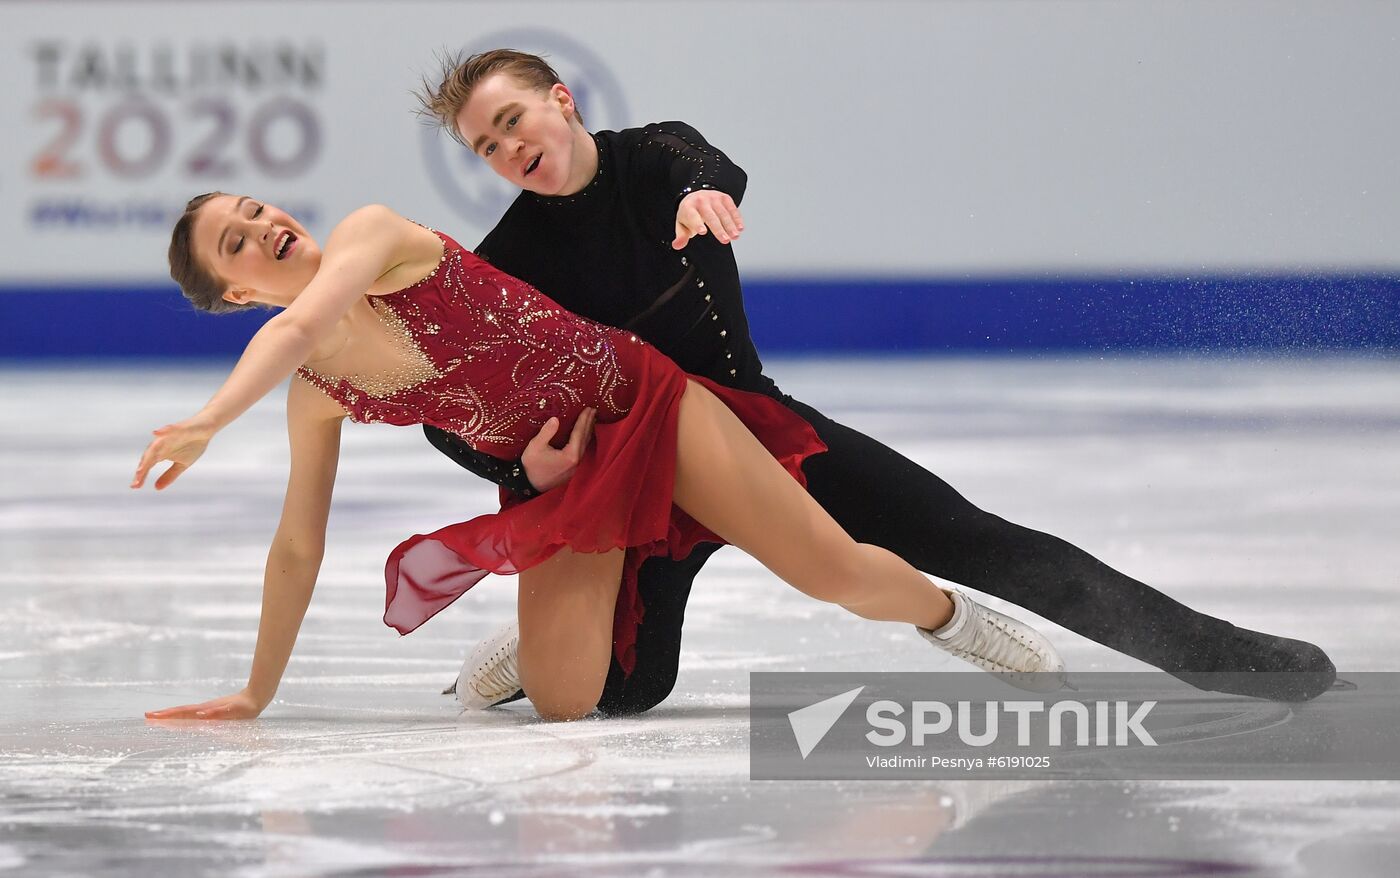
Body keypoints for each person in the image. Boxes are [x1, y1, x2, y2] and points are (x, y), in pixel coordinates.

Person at [416, 50, 1336, 710]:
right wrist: (521, 476)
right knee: (628, 690)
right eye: (484, 148)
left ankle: (1226, 658)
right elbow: (444, 411)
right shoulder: (508, 265)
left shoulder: (656, 160)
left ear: (561, 101)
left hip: (763, 438)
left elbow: (707, 164)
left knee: (973, 539)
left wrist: (704, 195)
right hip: (650, 486)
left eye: (512, 120)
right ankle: (538, 655)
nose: (507, 149)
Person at [134, 194, 1067, 723]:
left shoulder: (371, 236)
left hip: (644, 403)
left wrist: (211, 418)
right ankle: (532, 655)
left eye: (255, 210)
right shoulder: (316, 397)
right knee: (565, 706)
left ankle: (950, 618)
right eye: (237, 243)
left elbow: (303, 323)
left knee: (834, 576)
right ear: (231, 295)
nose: (263, 228)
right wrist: (259, 690)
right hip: (573, 481)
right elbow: (298, 544)